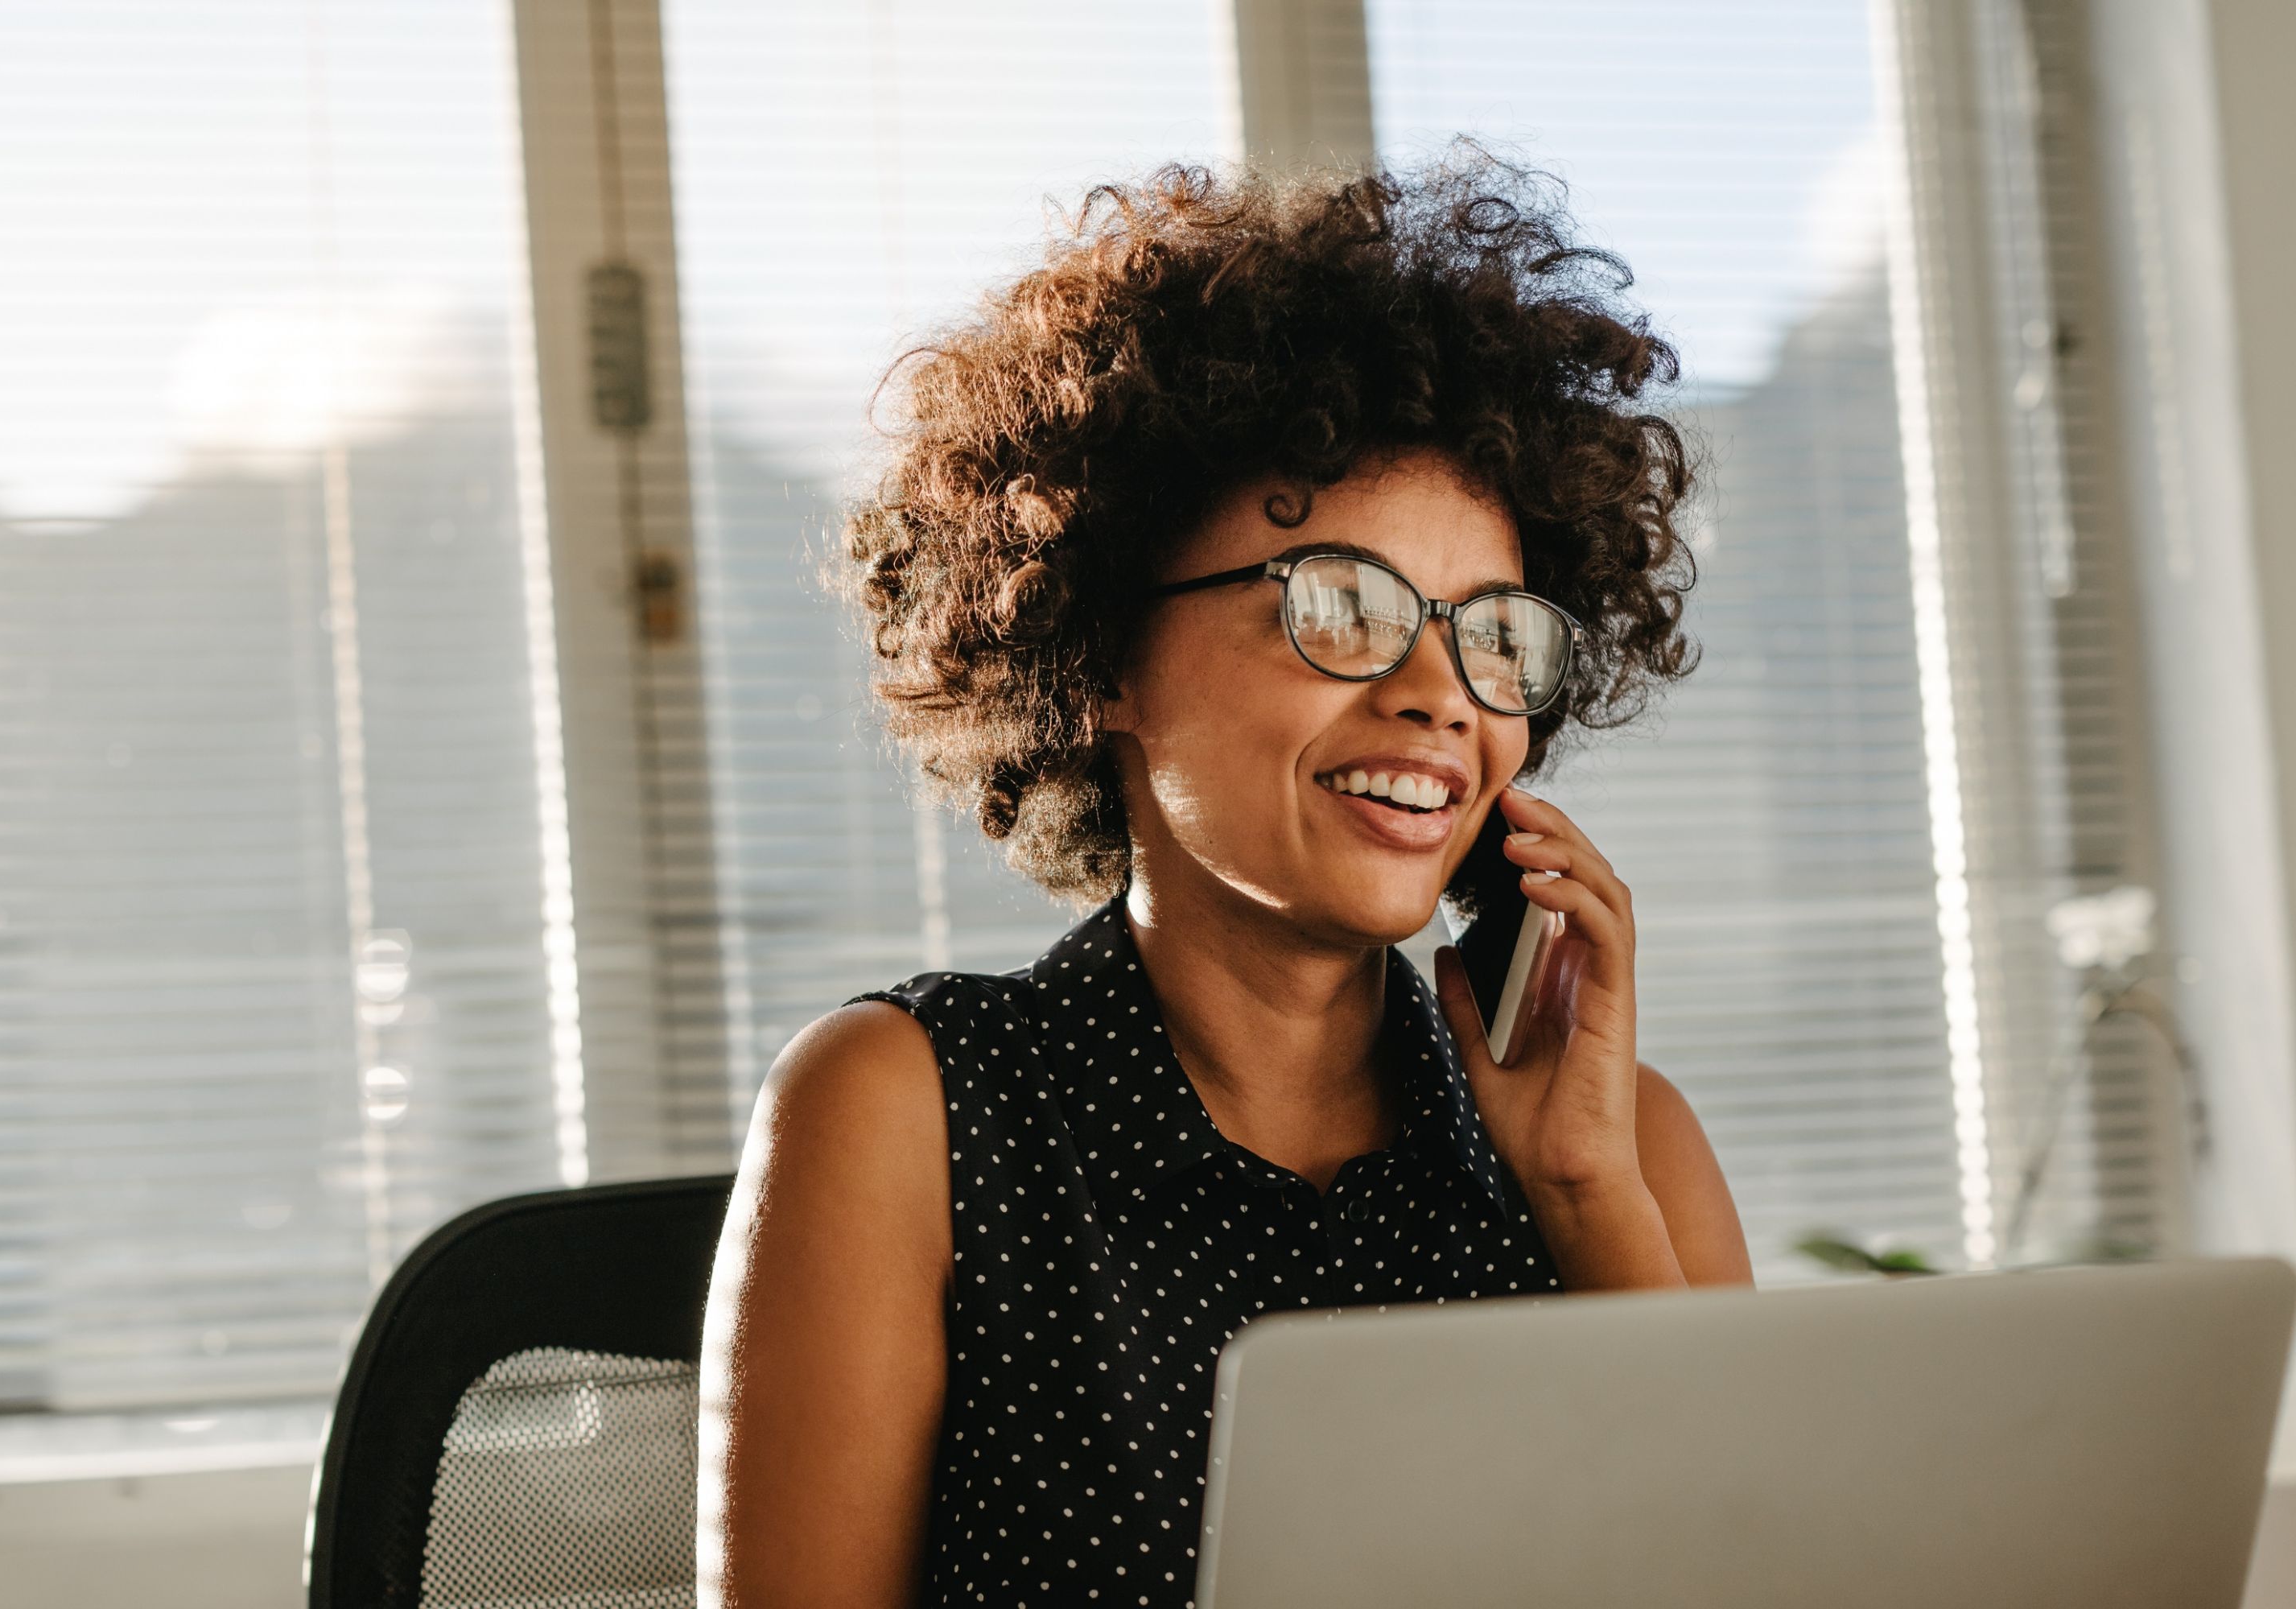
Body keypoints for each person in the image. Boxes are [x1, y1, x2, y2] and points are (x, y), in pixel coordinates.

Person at [696, 146, 1754, 1609]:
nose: (1443, 695)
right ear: (1107, 653)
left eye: (1495, 631)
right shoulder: (906, 1114)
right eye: (1340, 604)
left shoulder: (1624, 1149)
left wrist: (1583, 1197)